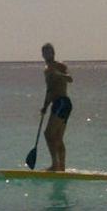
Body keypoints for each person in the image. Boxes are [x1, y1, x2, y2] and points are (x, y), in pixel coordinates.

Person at [40, 43, 72, 171]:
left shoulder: (61, 66)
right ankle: (62, 167)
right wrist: (45, 107)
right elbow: (49, 90)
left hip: (63, 102)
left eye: (49, 52)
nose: (47, 55)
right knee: (58, 137)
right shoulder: (46, 70)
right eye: (45, 52)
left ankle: (55, 165)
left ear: (53, 53)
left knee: (48, 134)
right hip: (56, 103)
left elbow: (70, 79)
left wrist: (59, 74)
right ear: (42, 55)